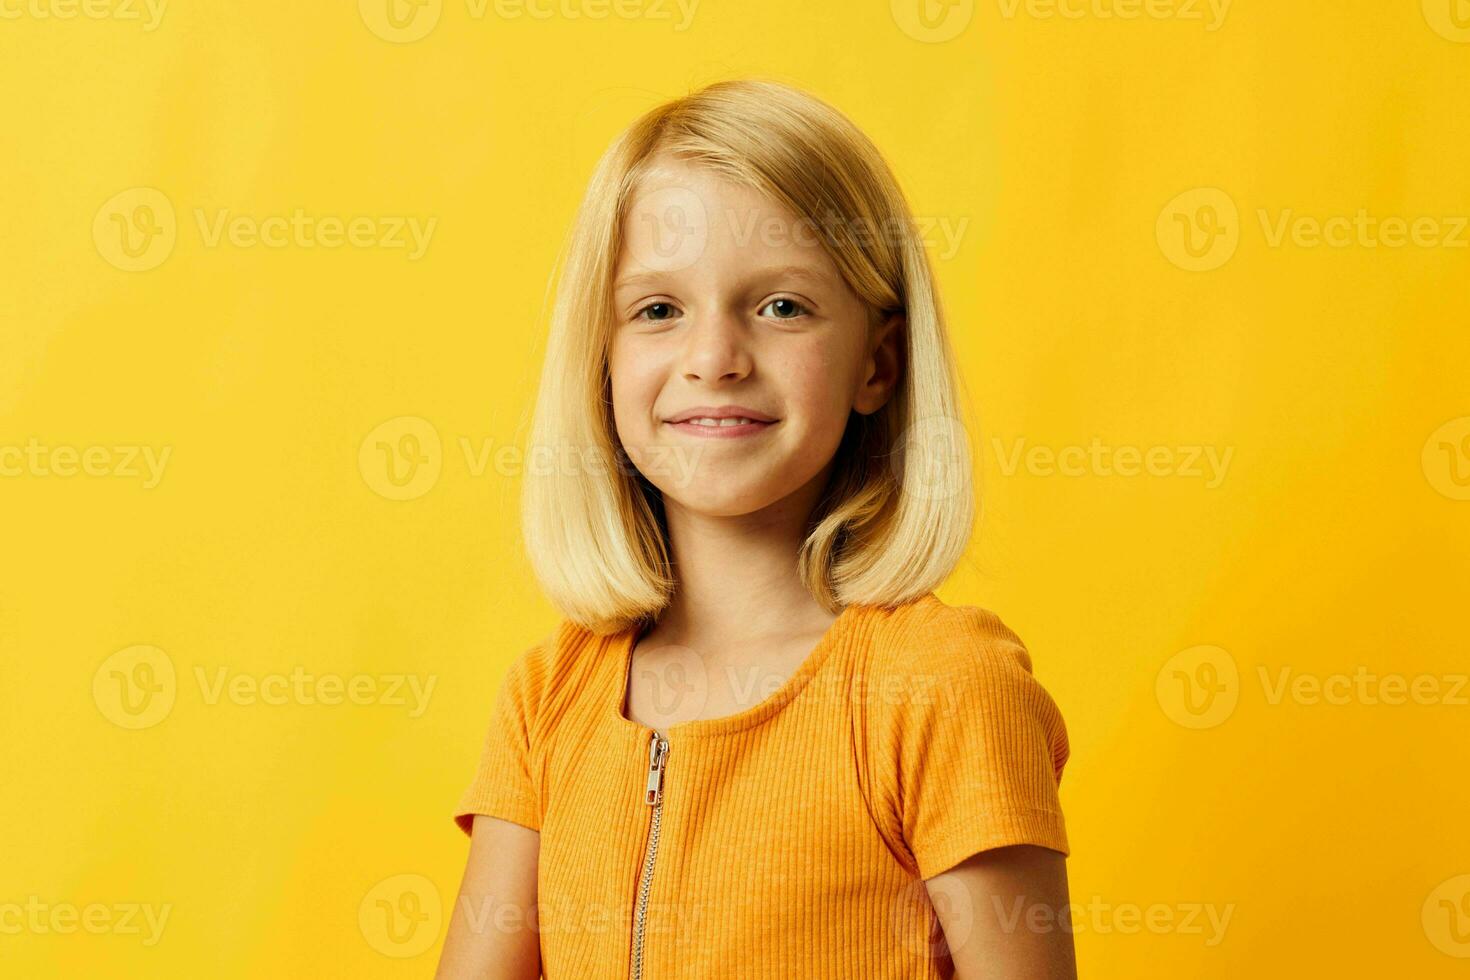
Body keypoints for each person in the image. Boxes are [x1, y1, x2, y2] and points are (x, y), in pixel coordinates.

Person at [435, 77, 1076, 980]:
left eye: (782, 306)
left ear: (878, 364)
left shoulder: (941, 687)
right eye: (658, 310)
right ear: (603, 358)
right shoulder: (549, 697)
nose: (713, 360)